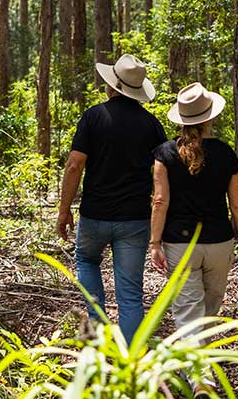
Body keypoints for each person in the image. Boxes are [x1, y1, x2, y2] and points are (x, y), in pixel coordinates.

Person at [56, 53, 167, 342]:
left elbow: (74, 164)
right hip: (135, 219)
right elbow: (163, 174)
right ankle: (130, 363)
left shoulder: (93, 117)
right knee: (130, 294)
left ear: (112, 86)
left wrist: (64, 209)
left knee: (87, 261)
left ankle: (96, 330)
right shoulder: (152, 125)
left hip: (95, 215)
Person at [148, 81, 238, 333]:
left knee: (188, 312)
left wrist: (154, 244)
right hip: (219, 243)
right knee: (209, 312)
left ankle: (198, 369)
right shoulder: (225, 153)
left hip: (179, 245)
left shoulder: (164, 153)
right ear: (210, 117)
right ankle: (202, 366)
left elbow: (160, 201)